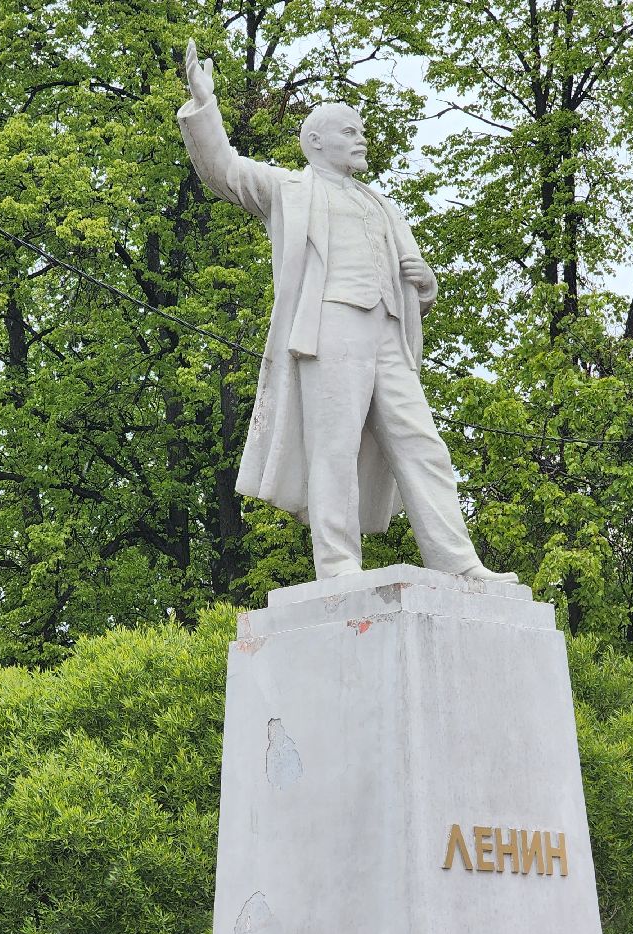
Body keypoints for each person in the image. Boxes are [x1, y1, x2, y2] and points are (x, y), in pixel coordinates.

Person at [178, 40, 516, 583]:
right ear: (314, 142)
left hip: (388, 332)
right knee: (333, 448)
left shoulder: (385, 204)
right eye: (349, 132)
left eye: (361, 132)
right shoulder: (290, 189)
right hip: (329, 326)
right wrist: (204, 105)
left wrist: (426, 285)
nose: (362, 141)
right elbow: (224, 170)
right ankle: (337, 566)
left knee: (424, 445)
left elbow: (415, 281)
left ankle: (458, 564)